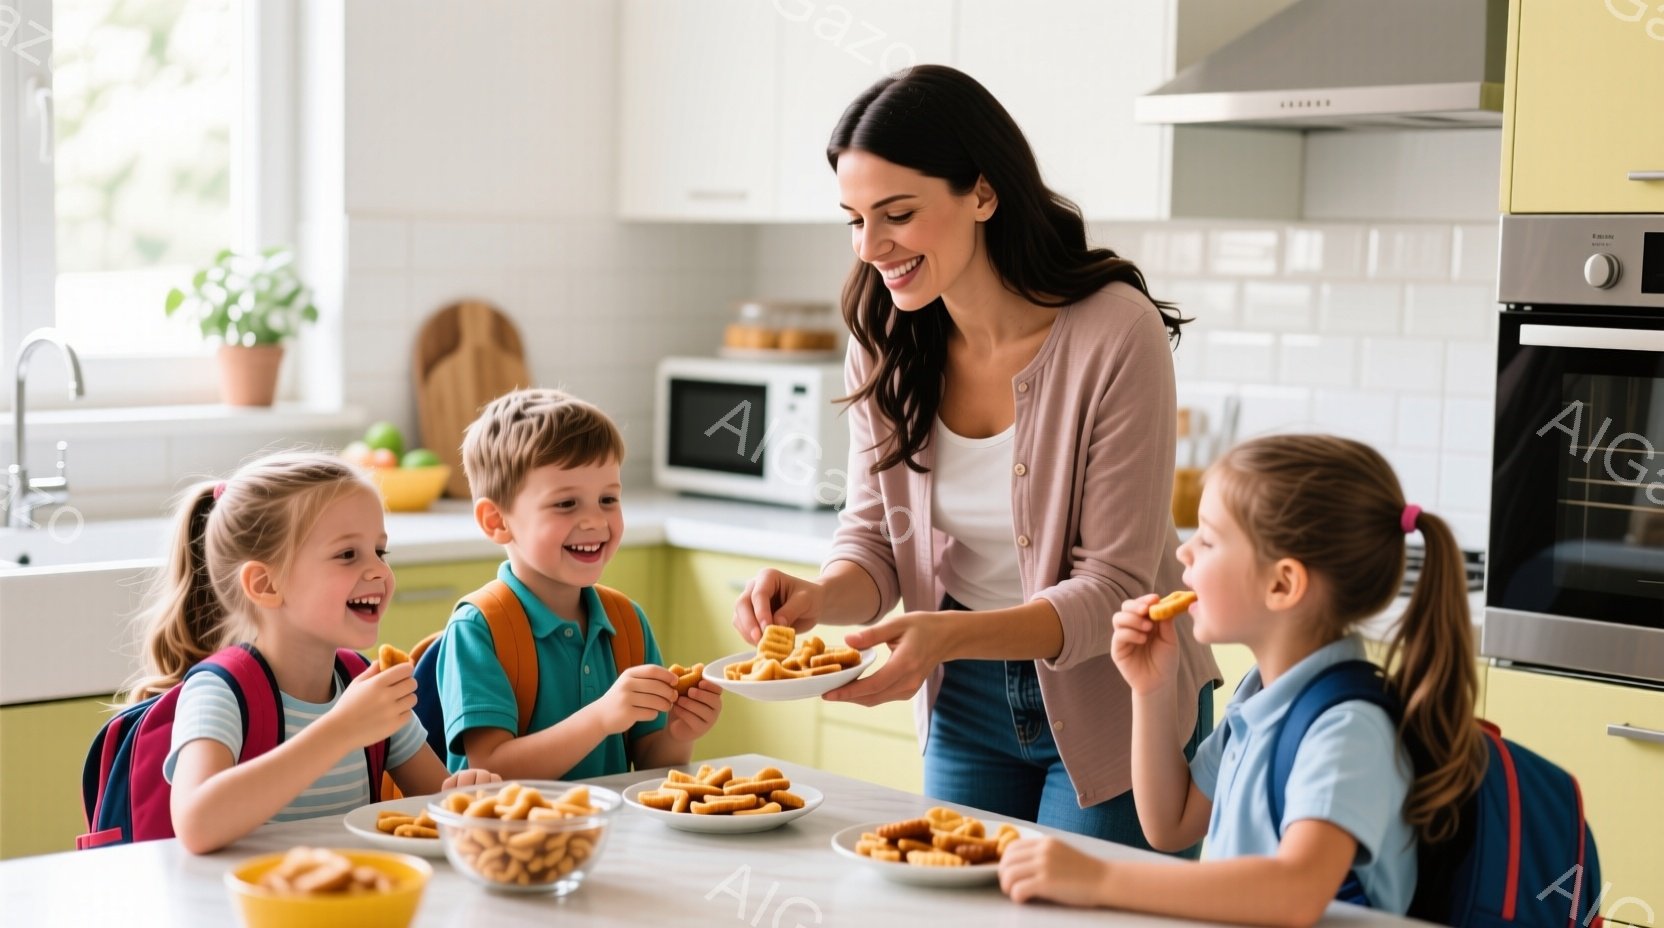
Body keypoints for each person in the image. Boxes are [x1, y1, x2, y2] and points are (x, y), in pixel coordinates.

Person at [730, 64, 1218, 850]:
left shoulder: (1113, 334)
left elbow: (1115, 590)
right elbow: (878, 541)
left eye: (897, 214)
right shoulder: (884, 337)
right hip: (964, 699)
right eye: (853, 219)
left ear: (983, 195)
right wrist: (820, 596)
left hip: (1120, 692)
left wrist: (943, 637)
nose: (872, 246)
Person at [998, 434, 1487, 923]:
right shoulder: (1261, 699)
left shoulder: (1346, 730)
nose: (1185, 553)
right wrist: (1151, 689)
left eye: (1208, 540)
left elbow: (1296, 892)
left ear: (1282, 584)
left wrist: (1098, 879)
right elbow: (1170, 825)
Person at [127, 451, 499, 854]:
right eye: (347, 555)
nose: (378, 570)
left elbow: (435, 801)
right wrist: (342, 730)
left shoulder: (363, 686)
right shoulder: (219, 693)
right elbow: (196, 824)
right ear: (266, 585)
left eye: (380, 551)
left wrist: (465, 795)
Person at [435, 388, 723, 779]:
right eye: (566, 504)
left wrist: (679, 734)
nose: (595, 521)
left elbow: (653, 765)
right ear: (496, 521)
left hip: (609, 833)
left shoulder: (627, 623)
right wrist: (602, 717)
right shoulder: (478, 629)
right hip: (511, 836)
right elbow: (494, 768)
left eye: (608, 499)